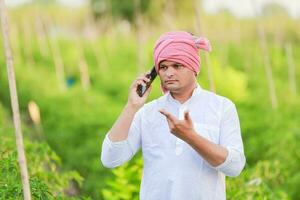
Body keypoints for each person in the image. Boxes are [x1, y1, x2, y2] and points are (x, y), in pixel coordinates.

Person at [101, 31, 246, 200]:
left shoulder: (222, 107)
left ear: (194, 67)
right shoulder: (148, 112)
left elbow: (235, 166)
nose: (168, 73)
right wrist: (131, 106)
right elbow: (110, 159)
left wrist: (191, 137)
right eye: (163, 67)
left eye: (177, 66)